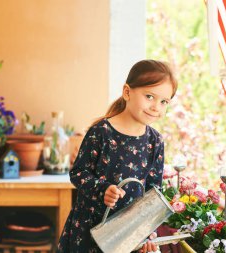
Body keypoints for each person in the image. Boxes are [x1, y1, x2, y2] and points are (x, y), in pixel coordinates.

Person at [57, 59, 178, 253]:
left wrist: (147, 235)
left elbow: (153, 193)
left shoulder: (155, 141)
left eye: (164, 101)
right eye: (149, 96)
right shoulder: (101, 132)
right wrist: (102, 190)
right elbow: (78, 173)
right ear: (127, 92)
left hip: (126, 239)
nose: (156, 106)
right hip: (87, 233)